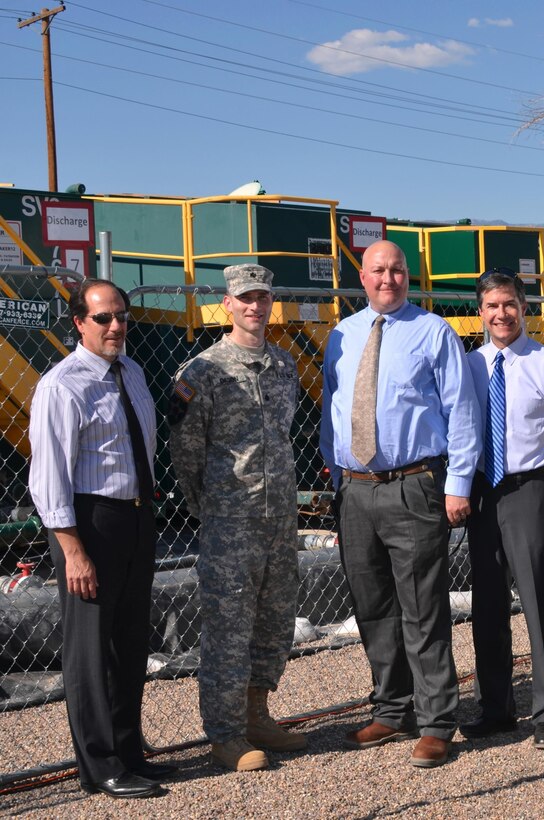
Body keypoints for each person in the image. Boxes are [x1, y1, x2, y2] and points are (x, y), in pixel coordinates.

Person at [319, 240, 480, 769]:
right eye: (378, 270)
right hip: (356, 488)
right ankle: (392, 709)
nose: (388, 278)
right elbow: (333, 408)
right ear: (361, 278)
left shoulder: (433, 333)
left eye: (398, 270)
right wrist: (336, 470)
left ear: (408, 276)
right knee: (373, 605)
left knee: (422, 607)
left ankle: (437, 722)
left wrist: (457, 484)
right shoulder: (342, 334)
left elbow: (461, 412)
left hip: (413, 485)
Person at [28, 279, 174, 799]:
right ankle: (100, 764)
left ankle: (130, 751)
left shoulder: (131, 372)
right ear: (78, 323)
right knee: (89, 649)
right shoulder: (61, 386)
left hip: (137, 518)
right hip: (90, 524)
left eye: (122, 316)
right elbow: (48, 479)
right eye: (103, 318)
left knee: (130, 643)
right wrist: (72, 550)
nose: (116, 326)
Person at [169, 264, 305, 772]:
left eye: (262, 297)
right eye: (244, 298)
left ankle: (257, 715)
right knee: (228, 629)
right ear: (227, 304)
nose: (255, 306)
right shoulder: (201, 371)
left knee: (274, 621)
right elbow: (185, 452)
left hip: (281, 519)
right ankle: (224, 734)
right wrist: (212, 507)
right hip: (231, 521)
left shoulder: (284, 366)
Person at [460, 269, 544, 751]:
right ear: (480, 311)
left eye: (509, 304)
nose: (501, 314)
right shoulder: (469, 366)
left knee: (540, 603)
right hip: (481, 494)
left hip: (531, 490)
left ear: (523, 307)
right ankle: (496, 708)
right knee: (487, 606)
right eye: (491, 305)